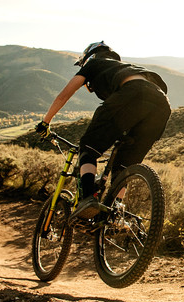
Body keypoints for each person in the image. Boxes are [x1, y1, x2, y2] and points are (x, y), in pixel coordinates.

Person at [36, 41, 171, 221]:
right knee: (123, 166)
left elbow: (64, 95)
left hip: (133, 93)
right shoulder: (127, 68)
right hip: (162, 105)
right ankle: (114, 215)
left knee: (88, 147)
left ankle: (88, 200)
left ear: (88, 58)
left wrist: (45, 123)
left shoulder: (94, 64)